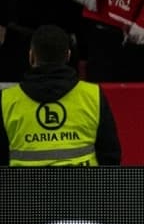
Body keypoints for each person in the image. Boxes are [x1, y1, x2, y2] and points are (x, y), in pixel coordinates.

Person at [2, 25, 120, 166]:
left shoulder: (7, 100)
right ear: (68, 56)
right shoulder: (92, 95)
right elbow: (110, 154)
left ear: (31, 56)